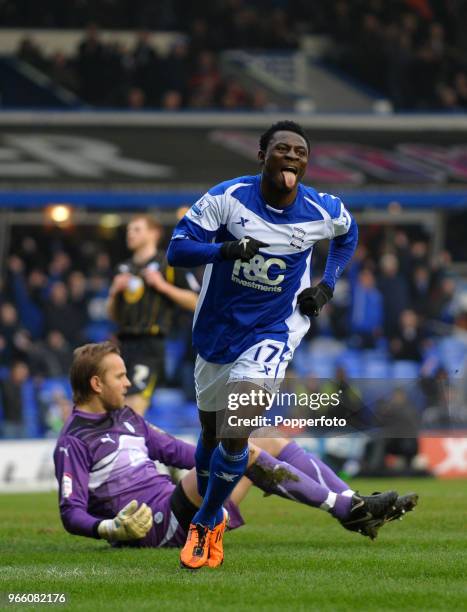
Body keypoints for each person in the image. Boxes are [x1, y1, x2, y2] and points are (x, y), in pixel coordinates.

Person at [166, 120, 405, 569]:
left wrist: (327, 285)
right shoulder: (227, 199)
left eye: (300, 151)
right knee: (211, 435)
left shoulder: (321, 208)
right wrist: (226, 251)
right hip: (217, 331)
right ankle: (210, 512)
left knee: (237, 427)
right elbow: (176, 250)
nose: (292, 157)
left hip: (274, 330)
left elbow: (347, 233)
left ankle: (205, 522)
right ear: (262, 156)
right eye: (282, 149)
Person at [53, 342, 417, 560]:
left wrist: (211, 455)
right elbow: (71, 513)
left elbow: (178, 453)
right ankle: (348, 510)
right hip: (156, 524)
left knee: (264, 437)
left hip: (184, 504)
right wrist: (111, 528)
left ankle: (354, 502)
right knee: (239, 449)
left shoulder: (127, 417)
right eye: (120, 377)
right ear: (96, 383)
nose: (129, 382)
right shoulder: (74, 440)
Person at [107, 214, 198, 416]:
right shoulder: (123, 269)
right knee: (116, 409)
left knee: (132, 408)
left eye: (137, 229)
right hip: (122, 347)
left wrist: (162, 286)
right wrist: (113, 293)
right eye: (129, 230)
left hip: (150, 345)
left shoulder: (169, 264)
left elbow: (196, 301)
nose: (130, 234)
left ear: (154, 233)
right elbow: (113, 316)